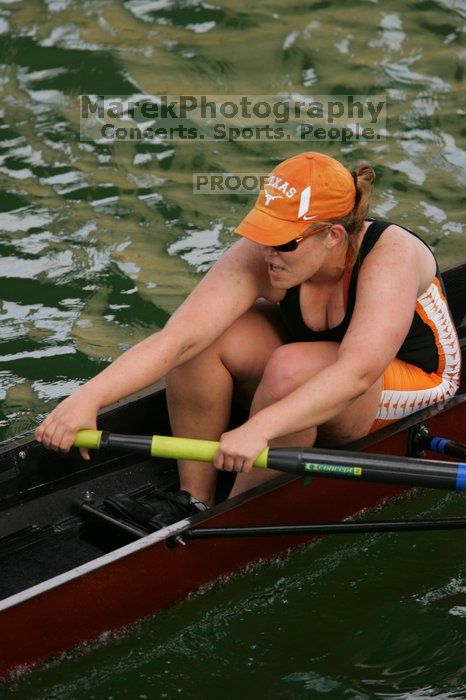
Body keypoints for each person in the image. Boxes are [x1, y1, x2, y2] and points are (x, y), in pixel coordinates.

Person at [35, 151, 461, 530]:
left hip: (417, 379)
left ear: (332, 235)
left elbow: (357, 372)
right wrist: (88, 399)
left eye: (283, 240)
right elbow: (179, 338)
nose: (267, 251)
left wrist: (258, 428)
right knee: (207, 340)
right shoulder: (269, 253)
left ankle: (236, 513)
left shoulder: (392, 255)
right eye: (264, 232)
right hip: (313, 369)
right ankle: (193, 500)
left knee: (290, 370)